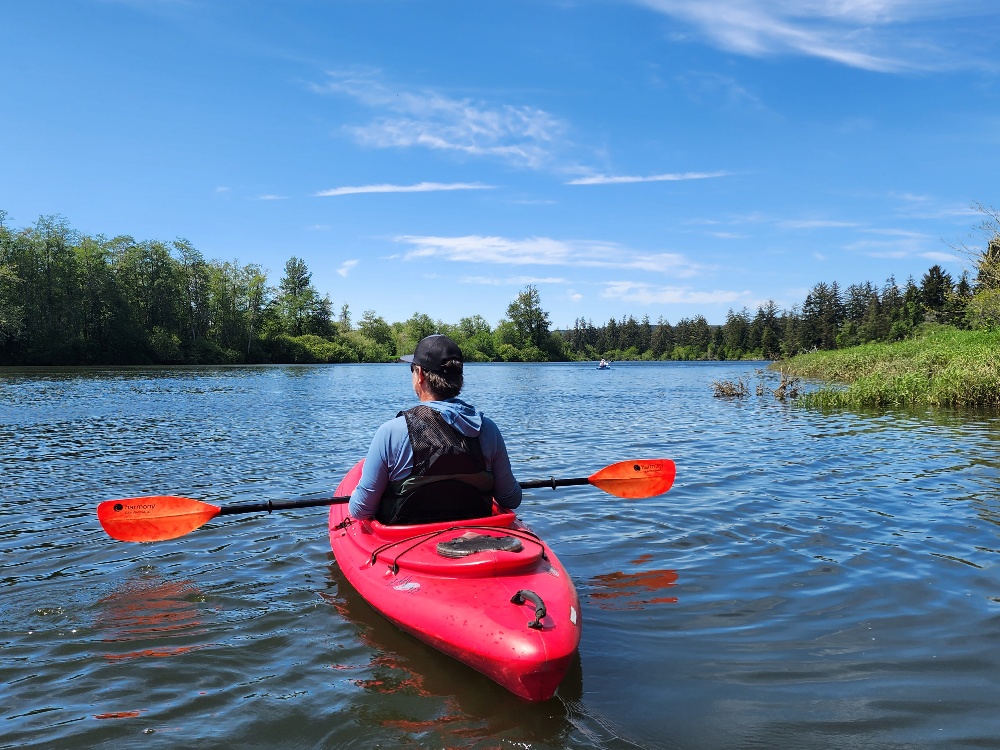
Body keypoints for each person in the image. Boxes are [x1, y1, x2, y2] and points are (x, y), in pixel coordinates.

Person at [348, 334, 522, 525]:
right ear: (459, 378)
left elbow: (361, 510)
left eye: (412, 369)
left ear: (420, 374)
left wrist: (356, 492)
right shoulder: (487, 429)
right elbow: (511, 499)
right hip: (475, 535)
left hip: (406, 542)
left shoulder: (390, 432)